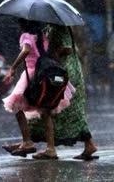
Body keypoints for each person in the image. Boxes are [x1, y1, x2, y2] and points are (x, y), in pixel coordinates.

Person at [2, 19, 74, 159]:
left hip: (33, 74)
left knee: (16, 106)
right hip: (45, 72)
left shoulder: (25, 36)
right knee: (45, 112)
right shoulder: (42, 36)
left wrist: (12, 68)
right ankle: (50, 148)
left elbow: (27, 50)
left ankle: (27, 141)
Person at [26, 24, 98, 160]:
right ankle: (88, 145)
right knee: (71, 111)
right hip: (65, 69)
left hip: (65, 71)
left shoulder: (59, 28)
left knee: (52, 108)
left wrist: (54, 53)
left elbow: (68, 48)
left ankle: (50, 148)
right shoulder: (53, 28)